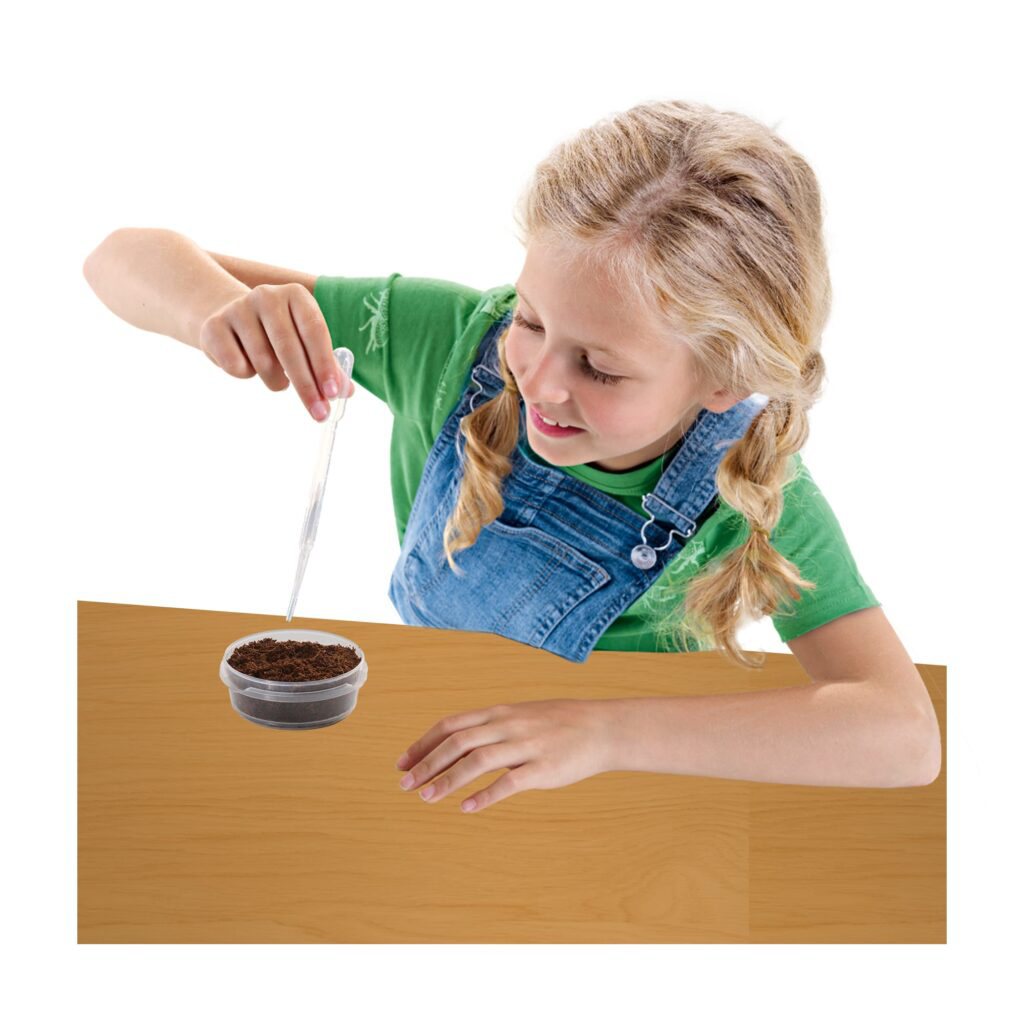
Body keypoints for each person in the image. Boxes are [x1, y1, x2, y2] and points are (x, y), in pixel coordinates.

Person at [83, 99, 941, 800]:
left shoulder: (751, 489)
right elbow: (119, 257)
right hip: (432, 751)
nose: (538, 381)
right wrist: (213, 312)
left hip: (628, 797)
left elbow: (903, 736)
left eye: (601, 368)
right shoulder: (447, 339)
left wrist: (605, 733)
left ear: (728, 378)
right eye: (531, 321)